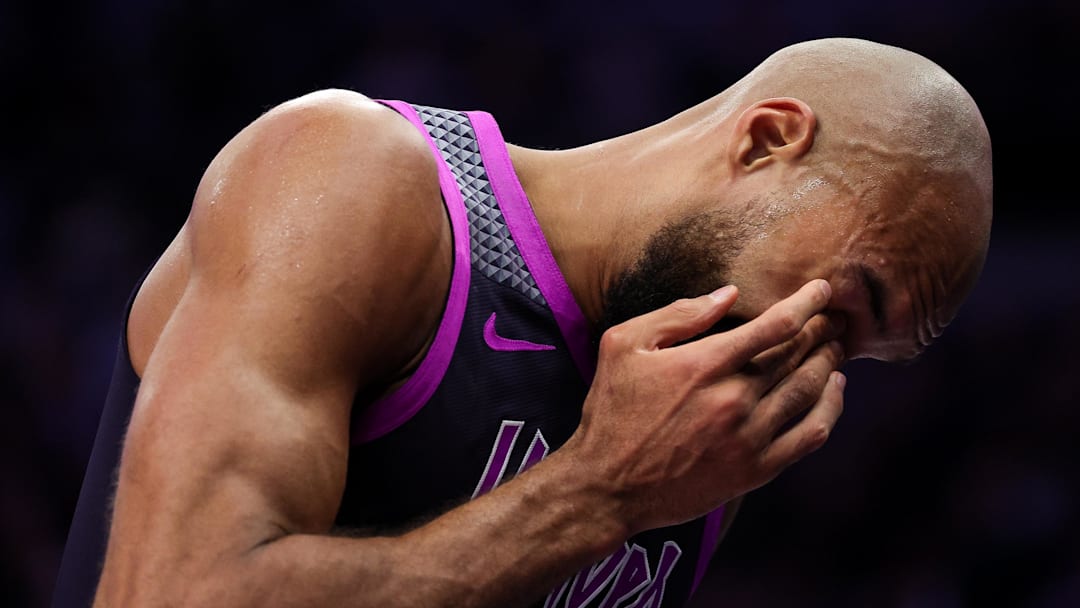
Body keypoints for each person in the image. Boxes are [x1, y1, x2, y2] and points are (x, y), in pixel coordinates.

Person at [53, 37, 992, 607]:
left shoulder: (702, 417)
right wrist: (598, 495)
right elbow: (174, 594)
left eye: (863, 358)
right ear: (766, 140)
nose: (817, 370)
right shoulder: (360, 179)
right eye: (849, 301)